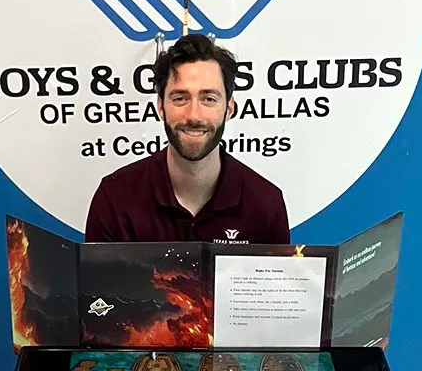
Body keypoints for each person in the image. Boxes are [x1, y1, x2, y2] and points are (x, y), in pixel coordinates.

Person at [84, 34, 290, 245]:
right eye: (180, 98)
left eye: (209, 99)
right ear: (160, 107)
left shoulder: (266, 204)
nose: (194, 115)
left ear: (229, 108)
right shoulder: (114, 198)